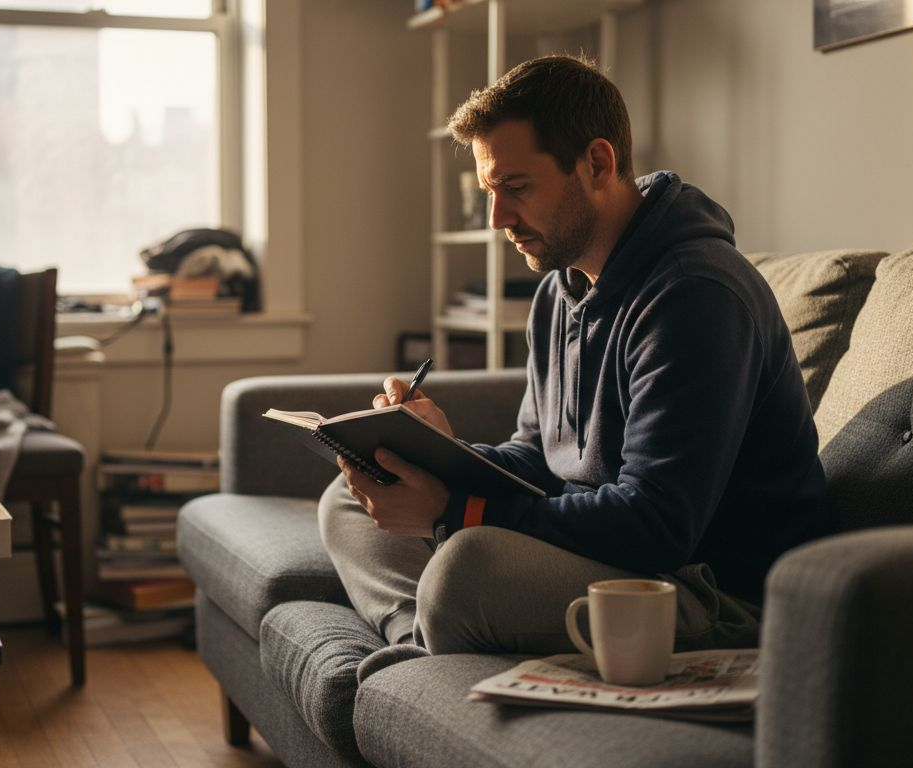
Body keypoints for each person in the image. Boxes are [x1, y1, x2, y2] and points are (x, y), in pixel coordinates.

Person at [319, 54, 830, 672]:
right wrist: (440, 452)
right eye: (489, 191)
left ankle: (433, 633)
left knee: (465, 570)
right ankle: (421, 642)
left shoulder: (697, 294)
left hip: (701, 590)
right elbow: (537, 459)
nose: (497, 220)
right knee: (349, 502)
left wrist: (454, 511)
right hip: (603, 556)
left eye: (517, 188)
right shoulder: (558, 291)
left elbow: (656, 525)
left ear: (597, 164)